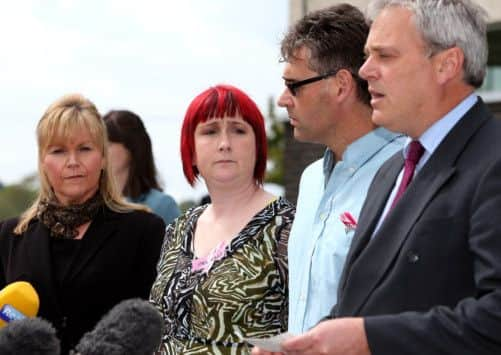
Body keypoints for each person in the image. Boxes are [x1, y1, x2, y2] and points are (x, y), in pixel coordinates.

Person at [254, 0, 501, 354]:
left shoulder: (492, 160)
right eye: (368, 56)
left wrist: (368, 338)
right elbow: (364, 300)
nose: (365, 70)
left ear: (447, 64)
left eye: (385, 56)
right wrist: (303, 346)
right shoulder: (394, 172)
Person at [0, 94, 166, 354]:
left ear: (102, 158)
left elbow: (157, 327)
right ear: (43, 162)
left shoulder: (145, 231)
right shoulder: (9, 236)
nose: (73, 162)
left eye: (84, 149)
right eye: (59, 151)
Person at [278, 4, 404, 335]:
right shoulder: (309, 181)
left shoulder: (411, 173)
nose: (282, 99)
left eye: (294, 86)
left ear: (341, 85)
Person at [149, 84, 295, 354]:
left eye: (238, 131)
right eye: (210, 131)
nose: (225, 143)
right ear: (191, 151)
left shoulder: (287, 228)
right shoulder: (179, 228)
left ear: (258, 146)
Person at [103, 110, 180, 225]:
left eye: (107, 144)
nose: (100, 151)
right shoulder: (93, 206)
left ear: (132, 148)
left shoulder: (163, 206)